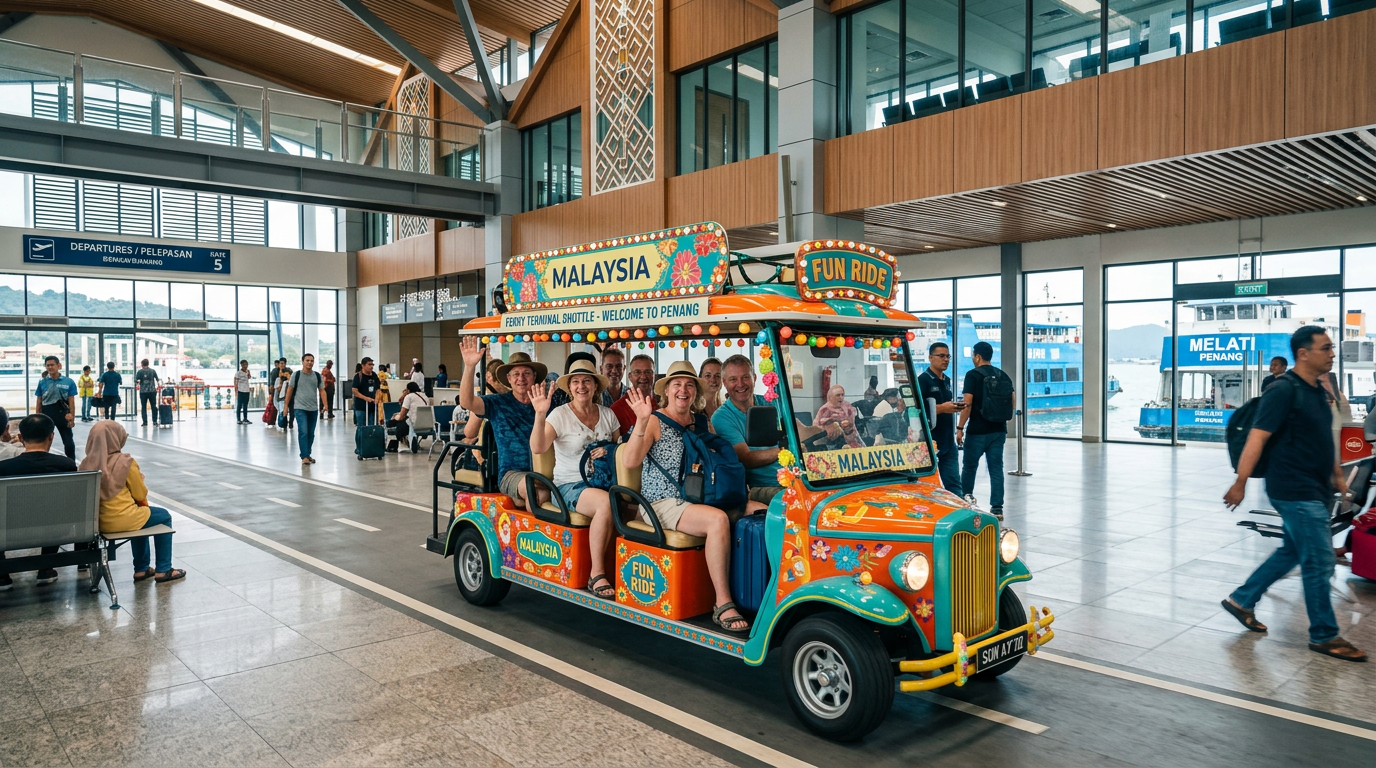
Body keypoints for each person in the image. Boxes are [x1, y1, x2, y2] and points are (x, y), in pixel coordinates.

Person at [1222, 326, 1366, 662]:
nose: (1332, 353)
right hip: (1292, 488)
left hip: (1313, 487)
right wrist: (1241, 482)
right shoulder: (1283, 391)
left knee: (1291, 551)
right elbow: (1257, 437)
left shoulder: (1317, 390)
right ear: (1303, 353)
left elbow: (1323, 437)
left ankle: (1241, 600)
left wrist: (1336, 475)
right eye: (1326, 348)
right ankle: (1324, 635)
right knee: (1319, 561)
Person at [621, 363, 748, 633]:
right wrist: (641, 421)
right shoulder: (654, 420)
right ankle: (722, 602)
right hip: (660, 502)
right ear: (667, 390)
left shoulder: (700, 422)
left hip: (698, 497)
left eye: (689, 385)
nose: (683, 389)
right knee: (717, 520)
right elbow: (630, 461)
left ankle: (759, 589)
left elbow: (715, 464)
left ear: (695, 392)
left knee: (762, 510)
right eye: (677, 384)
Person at [529, 361, 620, 598]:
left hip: (605, 481)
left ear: (595, 386)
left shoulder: (608, 415)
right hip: (570, 486)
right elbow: (538, 447)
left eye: (587, 380)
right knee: (606, 503)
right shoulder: (559, 415)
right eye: (576, 381)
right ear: (570, 387)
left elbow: (622, 450)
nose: (582, 386)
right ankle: (596, 573)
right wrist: (540, 414)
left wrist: (610, 450)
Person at [79, 420, 185, 584]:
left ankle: (142, 569)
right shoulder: (125, 462)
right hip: (125, 520)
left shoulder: (85, 465)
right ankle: (163, 569)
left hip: (98, 524)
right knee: (163, 516)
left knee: (140, 517)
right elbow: (140, 493)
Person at [459, 337, 544, 508]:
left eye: (526, 373)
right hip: (511, 474)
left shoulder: (545, 403)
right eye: (516, 374)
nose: (521, 378)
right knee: (534, 489)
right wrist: (469, 367)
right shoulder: (497, 403)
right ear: (509, 378)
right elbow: (467, 402)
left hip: (544, 472)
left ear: (534, 376)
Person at [0, 414, 80, 589]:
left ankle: (2, 575)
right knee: (54, 513)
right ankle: (45, 568)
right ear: (51, 436)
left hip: (9, 531)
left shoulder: (4, 468)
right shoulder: (66, 464)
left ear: (20, 438)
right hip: (56, 529)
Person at [712, 355, 786, 509]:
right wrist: (784, 451)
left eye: (745, 377)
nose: (740, 384)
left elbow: (798, 429)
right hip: (758, 486)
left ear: (754, 378)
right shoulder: (721, 417)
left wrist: (825, 428)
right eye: (733, 379)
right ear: (724, 383)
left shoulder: (770, 402)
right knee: (797, 498)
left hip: (792, 477)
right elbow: (746, 458)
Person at [958, 341, 1013, 519]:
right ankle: (997, 508)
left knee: (969, 467)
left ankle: (965, 501)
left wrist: (960, 428)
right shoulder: (1002, 375)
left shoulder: (972, 375)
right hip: (999, 430)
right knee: (996, 468)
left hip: (977, 430)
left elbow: (967, 404)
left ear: (978, 356)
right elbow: (1012, 402)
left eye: (974, 355)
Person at [918, 342, 964, 496]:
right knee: (927, 485)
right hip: (929, 442)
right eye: (941, 356)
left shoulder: (947, 380)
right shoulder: (922, 381)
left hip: (948, 441)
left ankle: (959, 513)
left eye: (948, 356)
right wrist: (941, 408)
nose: (946, 359)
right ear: (931, 357)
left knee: (954, 483)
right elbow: (916, 410)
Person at [283, 353, 327, 465]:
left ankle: (307, 454)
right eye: (307, 360)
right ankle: (304, 456)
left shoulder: (317, 376)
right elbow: (290, 390)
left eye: (311, 360)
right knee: (303, 431)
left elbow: (322, 390)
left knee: (311, 433)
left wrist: (326, 405)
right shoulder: (296, 375)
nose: (309, 362)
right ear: (302, 362)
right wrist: (286, 406)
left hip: (313, 408)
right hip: (300, 408)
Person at [33, 355, 77, 459]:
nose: (50, 367)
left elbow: (71, 401)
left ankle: (71, 463)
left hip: (63, 414)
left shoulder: (68, 382)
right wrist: (37, 416)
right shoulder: (42, 382)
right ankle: (42, 462)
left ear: (59, 366)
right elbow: (39, 400)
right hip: (47, 414)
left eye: (52, 365)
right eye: (48, 365)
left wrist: (72, 416)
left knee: (68, 442)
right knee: (43, 441)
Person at [610, 354, 657, 433]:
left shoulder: (663, 403)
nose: (643, 376)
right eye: (637, 372)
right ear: (630, 377)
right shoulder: (616, 409)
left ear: (654, 375)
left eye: (648, 372)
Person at [388, 381, 431, 452]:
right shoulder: (425, 397)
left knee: (392, 422)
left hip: (413, 423)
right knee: (401, 421)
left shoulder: (409, 397)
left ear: (408, 390)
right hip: (426, 424)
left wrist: (395, 417)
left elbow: (402, 415)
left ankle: (401, 443)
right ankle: (408, 441)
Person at [352, 357, 382, 455]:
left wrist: (377, 397)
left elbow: (378, 389)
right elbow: (355, 391)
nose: (371, 367)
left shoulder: (374, 376)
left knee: (371, 426)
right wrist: (365, 398)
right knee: (361, 427)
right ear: (363, 365)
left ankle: (370, 446)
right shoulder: (358, 376)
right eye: (369, 364)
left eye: (372, 364)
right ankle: (359, 448)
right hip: (361, 406)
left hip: (372, 406)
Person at [135, 359, 161, 427]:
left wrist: (139, 382)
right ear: (148, 364)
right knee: (153, 406)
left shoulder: (140, 372)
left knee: (143, 407)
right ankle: (154, 421)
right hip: (152, 391)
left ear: (142, 364)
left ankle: (145, 422)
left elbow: (137, 381)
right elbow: (158, 380)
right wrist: (158, 386)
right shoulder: (153, 371)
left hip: (143, 392)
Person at [234, 359, 252, 424]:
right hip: (240, 390)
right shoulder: (238, 373)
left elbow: (249, 377)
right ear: (241, 365)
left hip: (246, 390)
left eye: (246, 364)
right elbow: (235, 382)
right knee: (239, 405)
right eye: (244, 364)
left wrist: (248, 373)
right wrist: (236, 391)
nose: (245, 366)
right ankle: (238, 419)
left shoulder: (247, 371)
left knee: (245, 405)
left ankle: (245, 419)